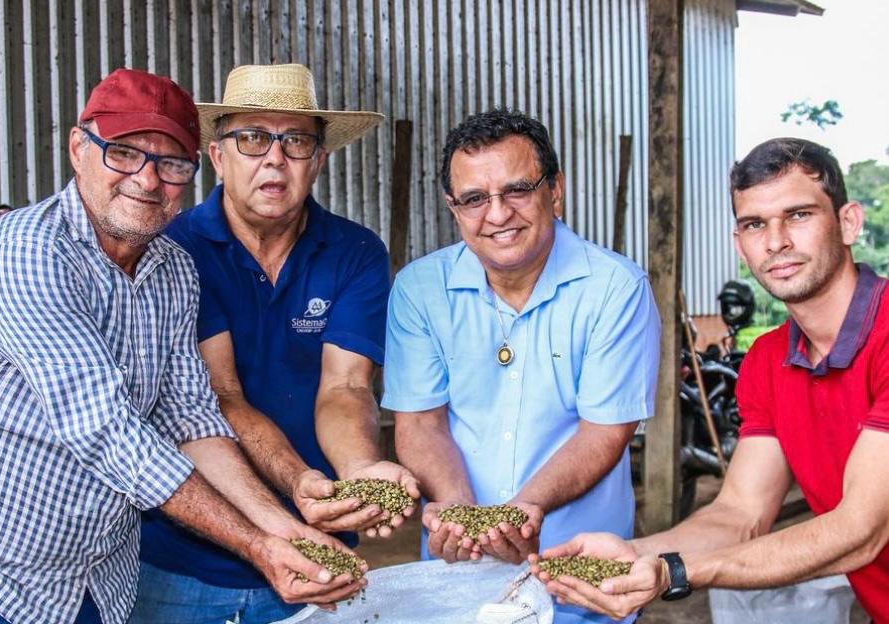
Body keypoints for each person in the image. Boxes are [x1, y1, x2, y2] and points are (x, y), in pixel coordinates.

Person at [0, 68, 362, 624]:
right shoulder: (25, 249)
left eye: (170, 163)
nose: (146, 178)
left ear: (191, 172)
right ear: (77, 148)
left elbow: (192, 420)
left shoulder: (174, 270)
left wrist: (284, 527)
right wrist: (257, 546)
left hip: (95, 577)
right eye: (123, 153)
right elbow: (106, 430)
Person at [536, 137, 889, 624]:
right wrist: (637, 552)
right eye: (755, 224)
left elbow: (862, 530)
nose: (776, 241)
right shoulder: (768, 361)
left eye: (799, 215)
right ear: (739, 243)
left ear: (848, 222)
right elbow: (740, 515)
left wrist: (673, 570)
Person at [133, 63, 420, 624]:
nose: (274, 158)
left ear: (319, 159)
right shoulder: (174, 249)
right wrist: (300, 480)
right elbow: (221, 396)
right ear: (218, 157)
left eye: (295, 140)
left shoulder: (354, 252)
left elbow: (345, 385)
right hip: (176, 560)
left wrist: (360, 469)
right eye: (252, 137)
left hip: (319, 552)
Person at [381, 108, 661, 624]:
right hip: (456, 582)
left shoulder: (616, 289)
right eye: (474, 199)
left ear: (555, 190)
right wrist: (458, 509)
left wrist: (524, 508)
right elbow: (420, 422)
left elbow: (604, 432)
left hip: (580, 582)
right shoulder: (420, 290)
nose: (497, 214)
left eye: (517, 190)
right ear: (453, 207)